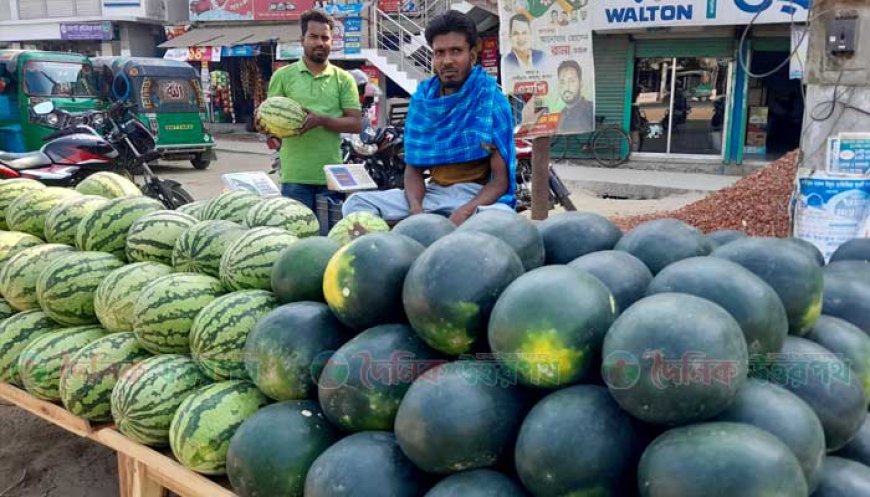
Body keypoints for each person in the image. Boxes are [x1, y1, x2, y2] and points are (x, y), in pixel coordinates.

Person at [341, 10, 516, 225]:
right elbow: (413, 170)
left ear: (472, 55)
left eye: (456, 51)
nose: (447, 60)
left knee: (504, 218)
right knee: (356, 203)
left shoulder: (491, 100)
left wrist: (465, 211)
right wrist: (416, 210)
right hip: (432, 195)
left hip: (477, 198)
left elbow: (500, 181)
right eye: (439, 53)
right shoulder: (422, 101)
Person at [265, 9, 363, 211]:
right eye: (314, 37)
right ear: (302, 40)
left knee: (330, 238)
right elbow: (270, 119)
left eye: (325, 38)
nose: (320, 42)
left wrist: (321, 120)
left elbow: (355, 124)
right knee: (298, 237)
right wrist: (269, 129)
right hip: (295, 178)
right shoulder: (283, 77)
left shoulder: (343, 79)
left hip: (332, 176)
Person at [555, 60, 594, 134]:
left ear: (581, 83)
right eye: (562, 82)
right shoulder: (562, 114)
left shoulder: (589, 109)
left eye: (572, 81)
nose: (566, 87)